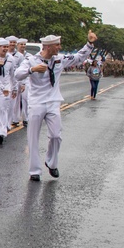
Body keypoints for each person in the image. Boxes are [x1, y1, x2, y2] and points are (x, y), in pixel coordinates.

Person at [15, 31, 96, 181]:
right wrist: (31, 70)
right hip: (37, 103)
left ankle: (51, 163)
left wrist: (89, 44)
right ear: (48, 47)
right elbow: (17, 74)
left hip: (53, 102)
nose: (60, 47)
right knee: (33, 137)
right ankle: (34, 170)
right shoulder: (31, 60)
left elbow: (79, 57)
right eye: (57, 45)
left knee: (56, 135)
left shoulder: (60, 59)